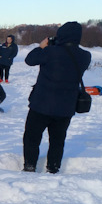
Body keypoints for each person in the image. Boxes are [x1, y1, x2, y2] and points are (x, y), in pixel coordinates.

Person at [21, 21, 91, 174]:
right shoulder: (85, 56)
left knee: (32, 137)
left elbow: (29, 60)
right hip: (66, 107)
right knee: (57, 140)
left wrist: (42, 46)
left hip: (41, 104)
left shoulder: (50, 52)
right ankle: (53, 167)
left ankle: (30, 165)